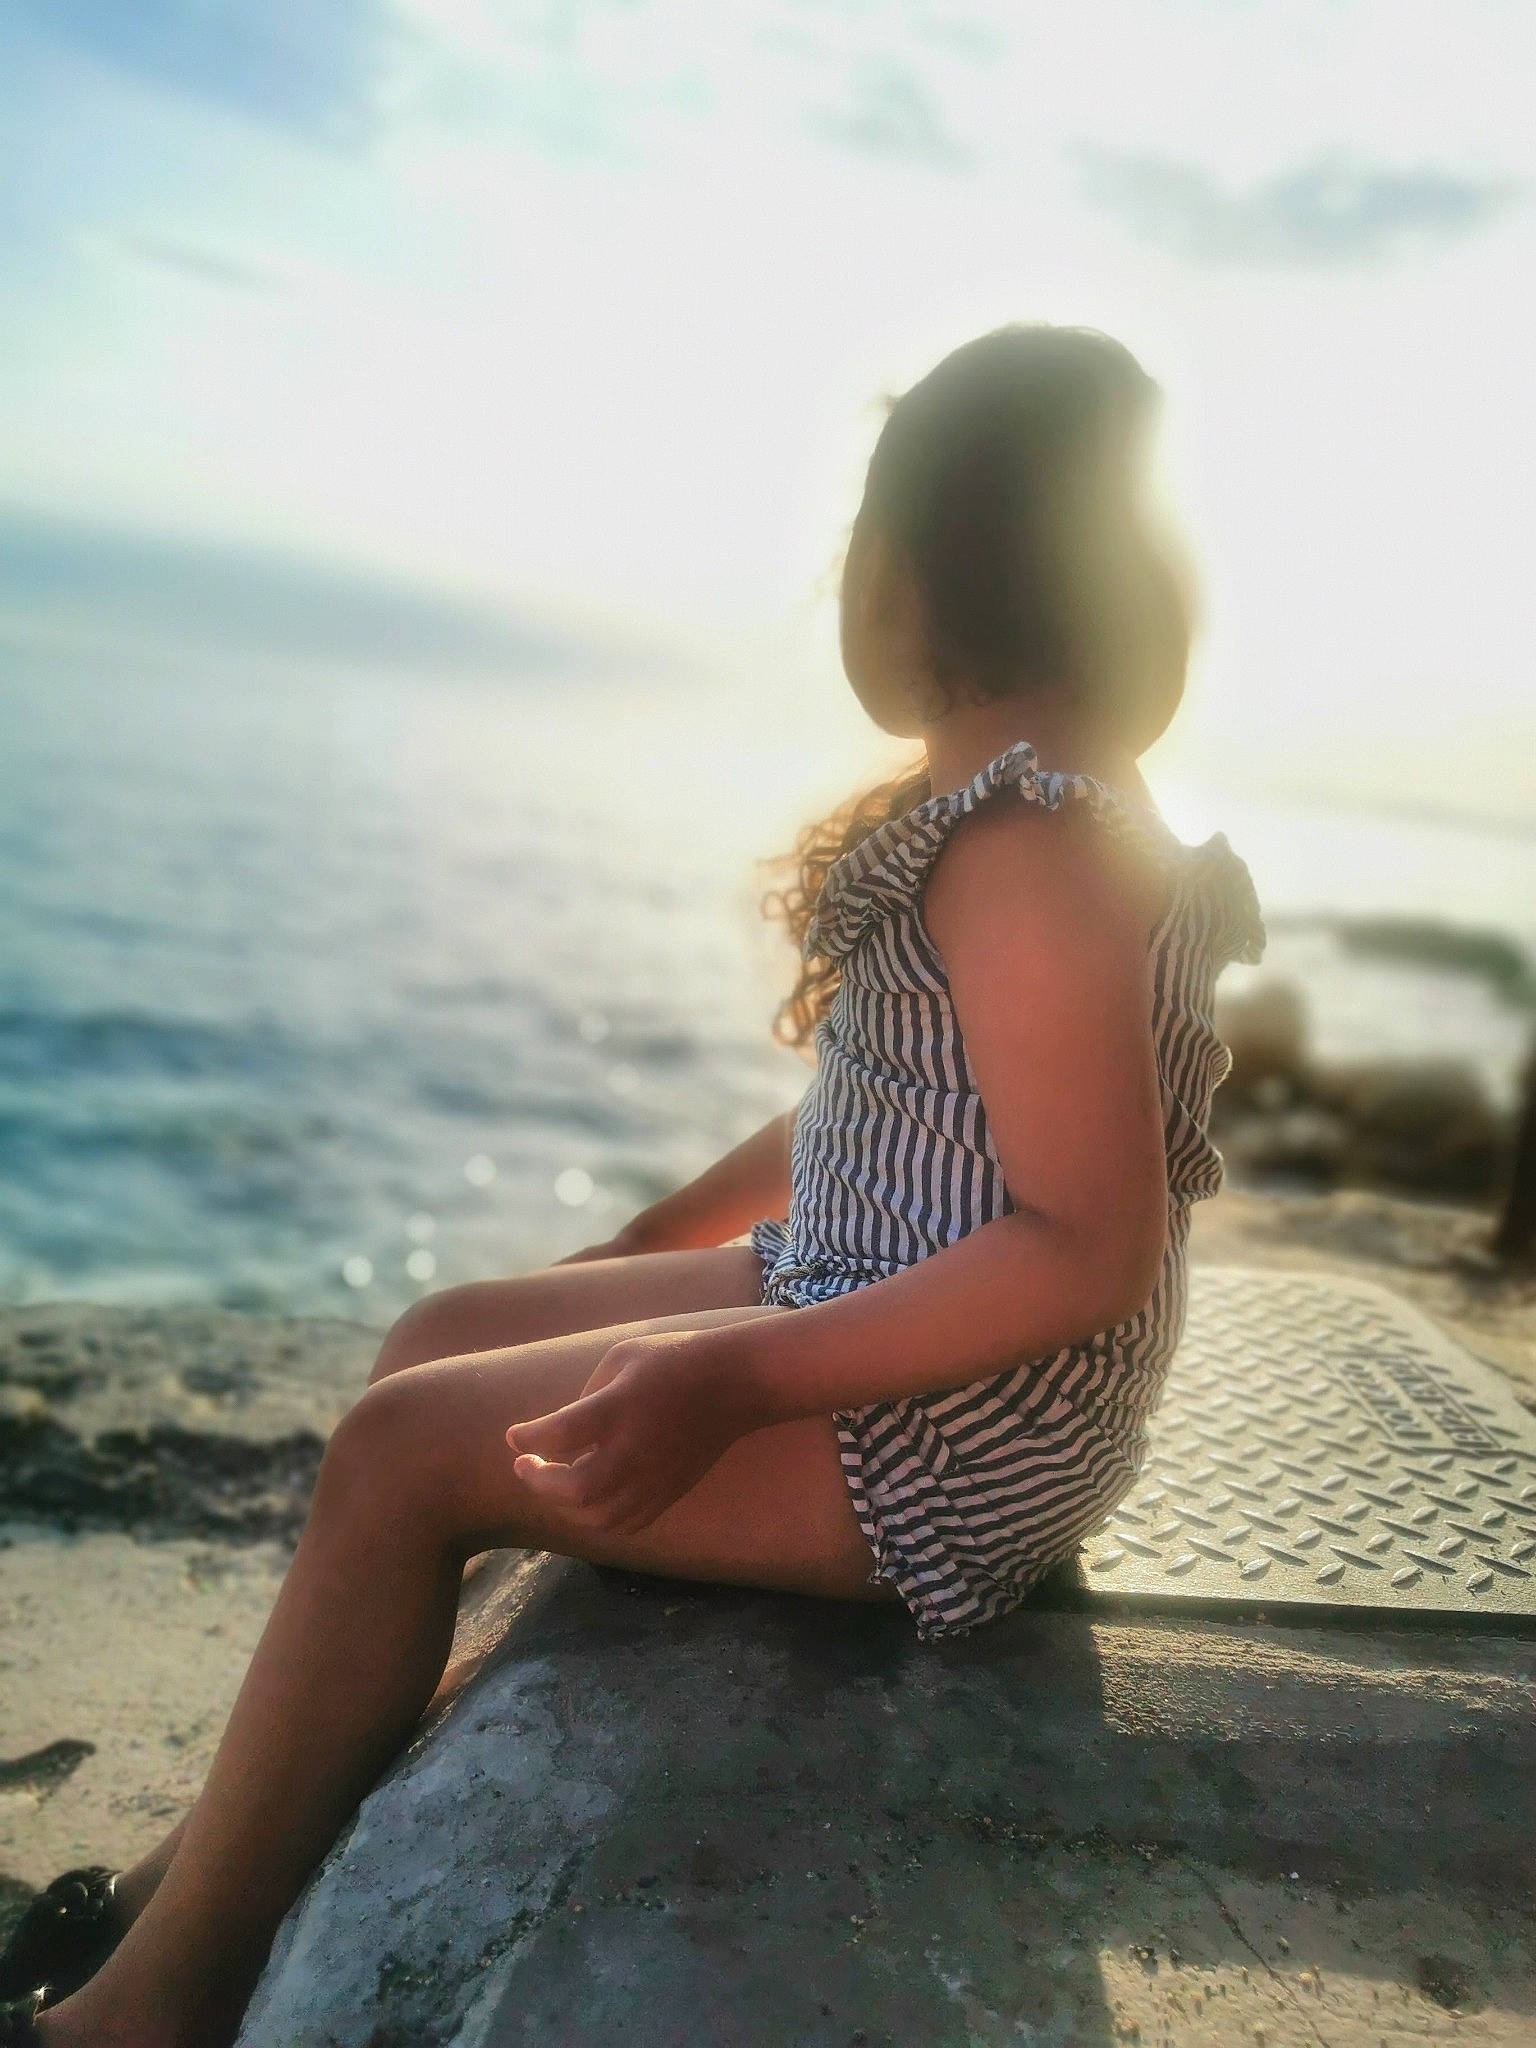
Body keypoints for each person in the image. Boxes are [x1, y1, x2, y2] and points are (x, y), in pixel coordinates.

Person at [1, 323, 1263, 2045]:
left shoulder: (1030, 842)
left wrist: (727, 1362)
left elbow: (1086, 1247)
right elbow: (897, 1112)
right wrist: (658, 1247)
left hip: (951, 1442)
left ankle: (146, 2009)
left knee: (396, 1460)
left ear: (908, 577)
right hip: (897, 1318)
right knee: (447, 1335)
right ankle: (212, 1862)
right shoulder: (1028, 808)